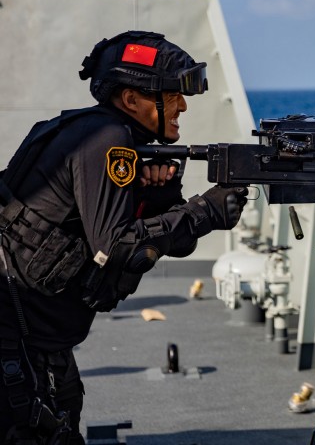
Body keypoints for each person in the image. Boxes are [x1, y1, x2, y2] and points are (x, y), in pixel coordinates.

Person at [0, 31, 248, 443]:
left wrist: (160, 199)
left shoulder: (82, 130)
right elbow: (117, 248)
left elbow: (157, 239)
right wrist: (203, 212)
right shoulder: (106, 140)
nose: (183, 105)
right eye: (171, 95)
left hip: (32, 337)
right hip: (20, 343)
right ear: (131, 100)